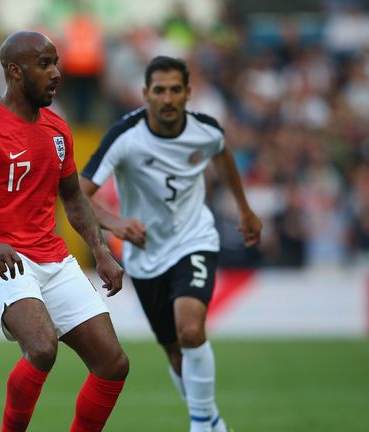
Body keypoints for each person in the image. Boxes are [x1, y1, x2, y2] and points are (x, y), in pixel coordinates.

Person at [0, 31, 129, 432]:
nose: (56, 73)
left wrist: (101, 250)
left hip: (54, 258)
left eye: (55, 62)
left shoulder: (58, 130)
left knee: (113, 364)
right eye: (44, 64)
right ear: (14, 71)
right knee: (42, 348)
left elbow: (74, 199)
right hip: (3, 260)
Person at [80, 56, 262, 432]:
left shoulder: (206, 131)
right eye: (159, 90)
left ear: (187, 94)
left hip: (194, 239)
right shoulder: (125, 136)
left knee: (191, 330)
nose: (167, 98)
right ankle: (212, 420)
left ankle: (199, 421)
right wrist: (115, 222)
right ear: (146, 94)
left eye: (174, 90)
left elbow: (223, 154)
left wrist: (244, 210)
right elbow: (77, 193)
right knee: (175, 352)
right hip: (145, 256)